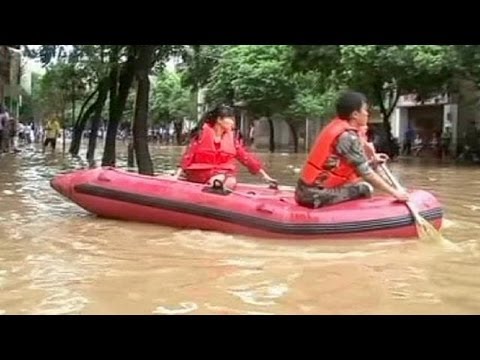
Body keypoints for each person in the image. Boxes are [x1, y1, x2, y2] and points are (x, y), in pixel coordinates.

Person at [295, 91, 409, 209]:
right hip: (314, 195)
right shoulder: (347, 137)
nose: (367, 113)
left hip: (307, 190)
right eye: (365, 110)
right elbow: (366, 173)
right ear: (355, 114)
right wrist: (395, 193)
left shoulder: (341, 129)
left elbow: (353, 164)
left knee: (361, 178)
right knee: (365, 188)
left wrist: (373, 161)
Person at [173, 105, 276, 190]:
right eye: (230, 119)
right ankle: (213, 193)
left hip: (221, 174)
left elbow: (246, 158)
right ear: (219, 120)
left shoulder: (231, 139)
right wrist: (176, 176)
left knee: (230, 180)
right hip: (200, 173)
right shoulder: (201, 134)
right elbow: (187, 156)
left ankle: (218, 195)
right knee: (221, 178)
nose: (233, 123)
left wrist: (265, 176)